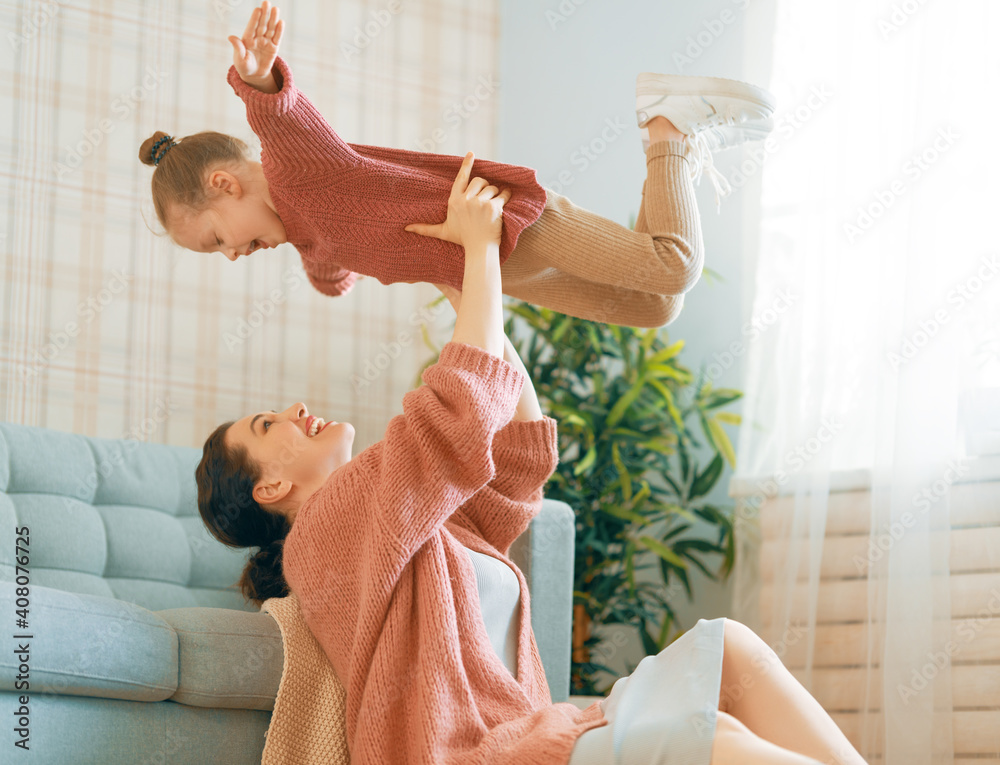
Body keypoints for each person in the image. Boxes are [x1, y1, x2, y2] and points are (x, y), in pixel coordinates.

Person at [194, 154, 868, 765]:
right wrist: (479, 251)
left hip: (539, 735)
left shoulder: (411, 523)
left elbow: (513, 457)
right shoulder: (324, 533)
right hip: (475, 757)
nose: (292, 410)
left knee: (730, 647)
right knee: (714, 741)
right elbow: (461, 404)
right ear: (271, 485)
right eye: (266, 424)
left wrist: (458, 276)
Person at [140, 1, 776, 329]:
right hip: (506, 276)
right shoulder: (305, 235)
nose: (229, 255)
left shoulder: (298, 171)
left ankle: (667, 125)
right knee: (657, 308)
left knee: (673, 268)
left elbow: (281, 118)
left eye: (217, 239)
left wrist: (255, 78)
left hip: (513, 223)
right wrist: (327, 271)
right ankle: (672, 163)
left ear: (224, 183)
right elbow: (335, 272)